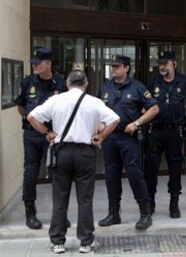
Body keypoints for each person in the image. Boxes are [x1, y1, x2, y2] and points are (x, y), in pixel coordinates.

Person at [27, 70, 119, 254]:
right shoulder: (94, 101)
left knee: (60, 198)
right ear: (85, 83)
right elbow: (115, 119)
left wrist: (47, 133)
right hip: (85, 153)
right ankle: (85, 242)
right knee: (85, 199)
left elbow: (31, 117)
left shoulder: (56, 100)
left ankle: (58, 242)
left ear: (68, 83)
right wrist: (100, 136)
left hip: (61, 152)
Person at [97, 54, 159, 230]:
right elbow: (98, 110)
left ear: (126, 68)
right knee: (111, 176)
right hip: (110, 137)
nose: (114, 69)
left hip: (128, 137)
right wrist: (100, 127)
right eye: (112, 66)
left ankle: (145, 214)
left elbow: (154, 108)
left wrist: (137, 123)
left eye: (117, 66)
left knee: (135, 175)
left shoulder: (137, 87)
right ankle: (113, 213)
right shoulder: (105, 87)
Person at [14, 47, 67, 229]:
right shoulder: (28, 82)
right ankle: (30, 212)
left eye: (38, 63)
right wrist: (33, 122)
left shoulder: (60, 82)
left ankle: (60, 214)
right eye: (33, 63)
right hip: (32, 135)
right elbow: (21, 106)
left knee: (58, 173)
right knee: (30, 172)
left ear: (48, 64)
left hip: (53, 136)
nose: (34, 66)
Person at [144, 50, 186, 218]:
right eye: (160, 63)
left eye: (165, 63)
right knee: (151, 167)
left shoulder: (184, 81)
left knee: (175, 167)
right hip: (155, 130)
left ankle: (174, 203)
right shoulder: (153, 82)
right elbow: (145, 103)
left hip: (175, 131)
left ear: (174, 64)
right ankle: (150, 201)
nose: (162, 66)